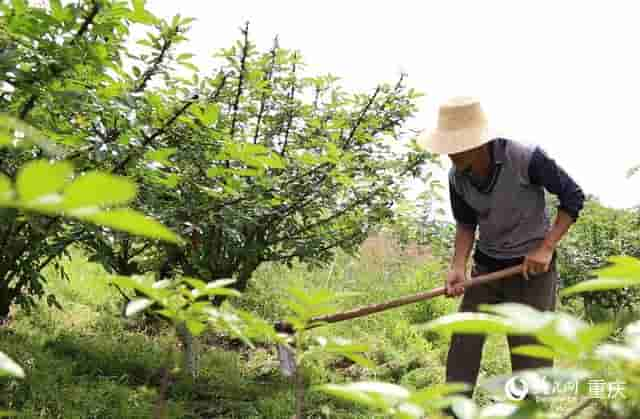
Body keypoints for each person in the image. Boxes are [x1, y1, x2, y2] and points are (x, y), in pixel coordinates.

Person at [416, 97, 585, 407]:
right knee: (463, 344)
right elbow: (466, 225)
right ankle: (452, 411)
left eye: (456, 145)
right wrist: (457, 267)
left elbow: (573, 197)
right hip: (487, 269)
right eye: (447, 145)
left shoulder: (525, 158)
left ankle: (527, 412)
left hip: (531, 269)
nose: (449, 153)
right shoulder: (457, 177)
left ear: (478, 142)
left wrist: (546, 248)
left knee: (529, 354)